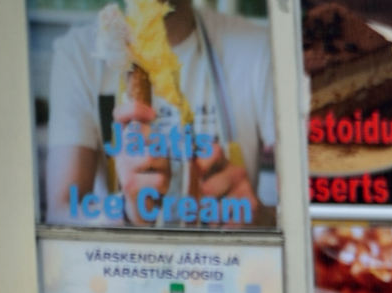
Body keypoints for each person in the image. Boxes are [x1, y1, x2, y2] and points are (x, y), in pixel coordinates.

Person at [42, 2, 274, 229]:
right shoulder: (79, 55)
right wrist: (124, 213)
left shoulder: (259, 50)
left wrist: (262, 220)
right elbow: (60, 212)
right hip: (118, 255)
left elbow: (293, 211)